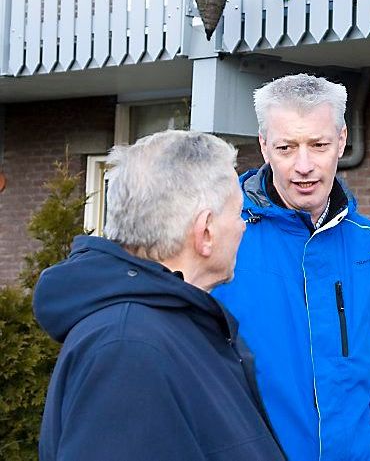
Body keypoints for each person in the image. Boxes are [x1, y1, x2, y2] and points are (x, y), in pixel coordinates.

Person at [34, 130, 285, 461]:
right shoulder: (126, 349)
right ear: (205, 231)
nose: (242, 227)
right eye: (237, 212)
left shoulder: (174, 325)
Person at [212, 74, 370, 461]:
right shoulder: (216, 237)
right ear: (264, 147)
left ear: (341, 141)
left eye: (318, 145)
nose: (304, 166)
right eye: (287, 147)